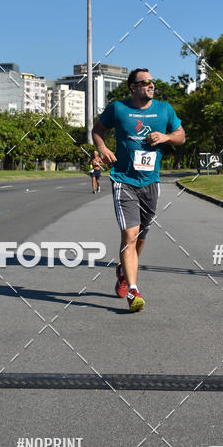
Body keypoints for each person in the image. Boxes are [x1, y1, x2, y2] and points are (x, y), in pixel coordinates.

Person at [92, 68, 185, 312]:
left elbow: (181, 136)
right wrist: (102, 148)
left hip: (151, 181)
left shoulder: (164, 109)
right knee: (130, 234)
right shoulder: (118, 108)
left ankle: (123, 271)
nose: (151, 85)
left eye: (152, 82)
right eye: (145, 82)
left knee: (141, 237)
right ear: (133, 87)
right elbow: (97, 130)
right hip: (123, 179)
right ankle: (134, 291)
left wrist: (166, 137)